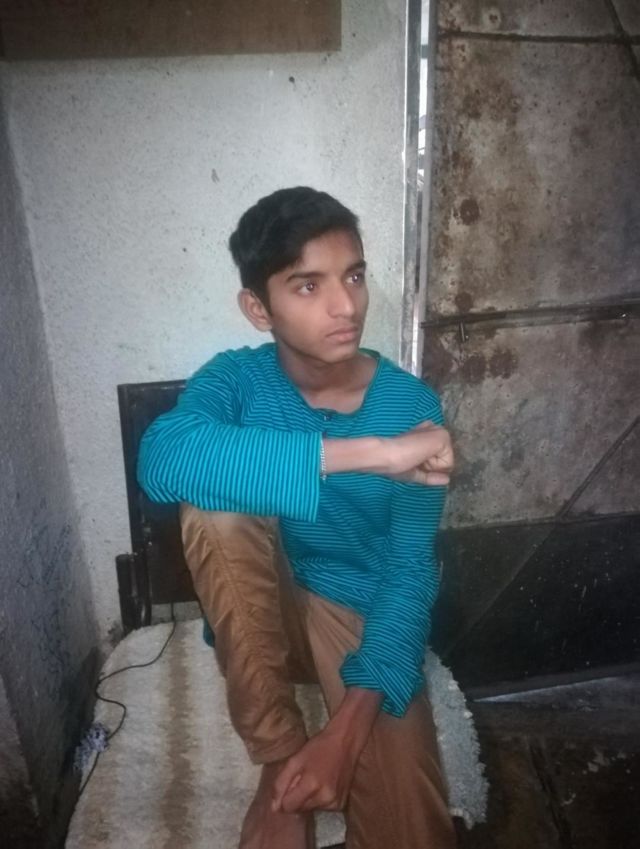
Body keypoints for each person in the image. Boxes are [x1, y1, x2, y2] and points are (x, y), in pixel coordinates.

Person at [137, 187, 456, 849]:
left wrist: (345, 733)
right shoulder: (235, 380)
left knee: (414, 834)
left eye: (354, 277)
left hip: (359, 609)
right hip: (263, 613)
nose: (347, 307)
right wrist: (375, 454)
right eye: (308, 286)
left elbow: (409, 572)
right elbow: (162, 458)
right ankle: (277, 758)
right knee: (216, 507)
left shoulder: (412, 406)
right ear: (259, 308)